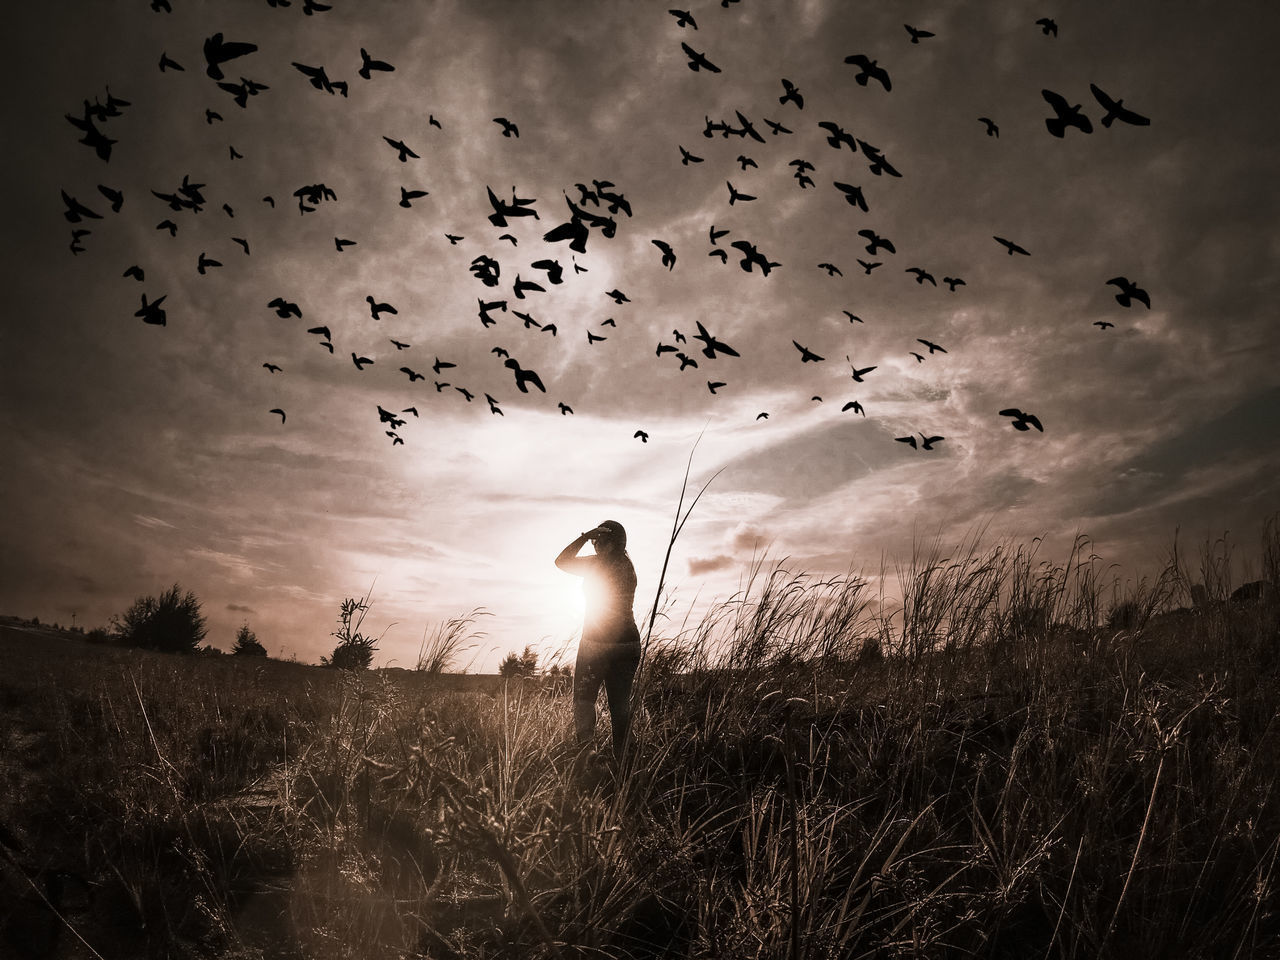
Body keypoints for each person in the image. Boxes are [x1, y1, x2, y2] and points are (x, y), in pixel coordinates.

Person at [555, 520, 641, 761]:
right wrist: (591, 537)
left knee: (583, 701)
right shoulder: (628, 567)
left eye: (599, 540)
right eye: (593, 541)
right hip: (629, 644)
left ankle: (589, 758)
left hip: (597, 643)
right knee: (620, 708)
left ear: (613, 543)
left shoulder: (597, 565)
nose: (595, 545)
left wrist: (582, 537)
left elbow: (561, 561)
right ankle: (623, 764)